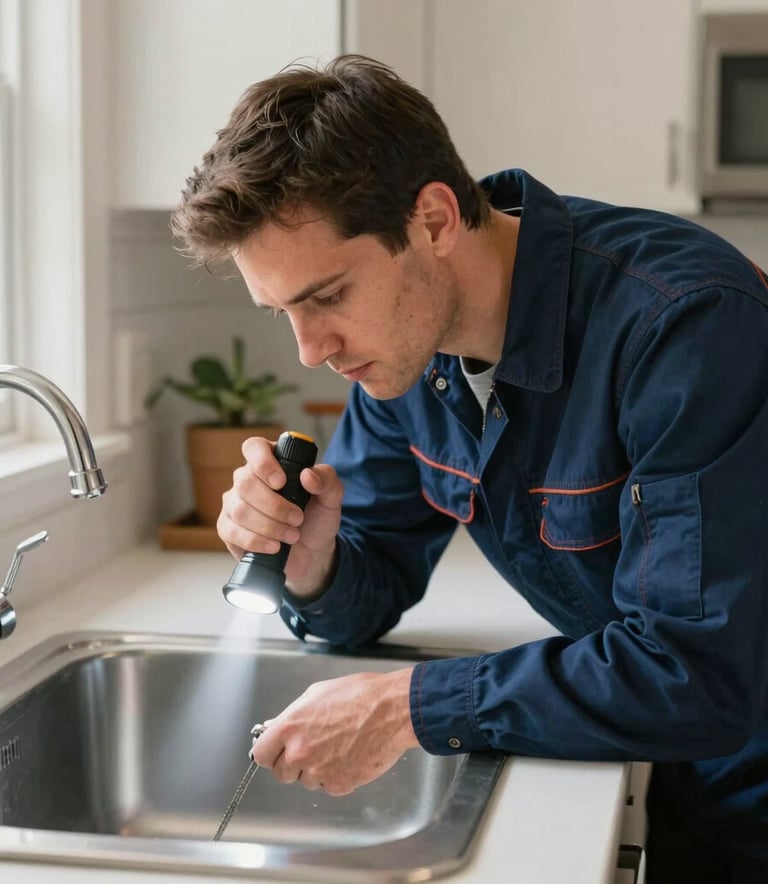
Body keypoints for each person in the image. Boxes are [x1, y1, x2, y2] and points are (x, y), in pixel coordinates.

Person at [170, 55, 768, 883]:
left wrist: (408, 705)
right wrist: (315, 570)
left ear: (435, 221)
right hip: (681, 766)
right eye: (283, 313)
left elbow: (695, 673)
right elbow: (373, 579)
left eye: (328, 295)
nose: (311, 352)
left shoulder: (685, 325)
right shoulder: (408, 352)